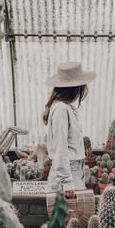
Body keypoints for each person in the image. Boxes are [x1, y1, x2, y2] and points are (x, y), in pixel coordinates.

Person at [43, 62, 96, 199]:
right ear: (76, 88)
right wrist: (67, 182)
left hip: (70, 171)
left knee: (72, 219)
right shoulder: (61, 109)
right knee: (73, 219)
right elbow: (60, 147)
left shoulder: (64, 107)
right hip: (67, 173)